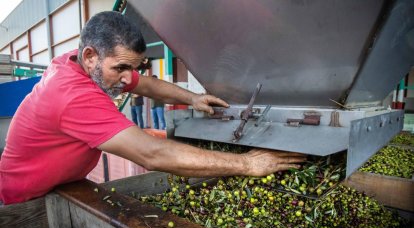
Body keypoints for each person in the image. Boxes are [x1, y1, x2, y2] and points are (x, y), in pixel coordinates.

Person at [0, 11, 305, 205]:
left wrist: (192, 98)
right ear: (90, 55)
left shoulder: (82, 61)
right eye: (120, 68)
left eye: (130, 68)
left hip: (61, 186)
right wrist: (248, 165)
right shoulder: (72, 95)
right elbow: (152, 154)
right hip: (23, 201)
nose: (125, 78)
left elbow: (145, 84)